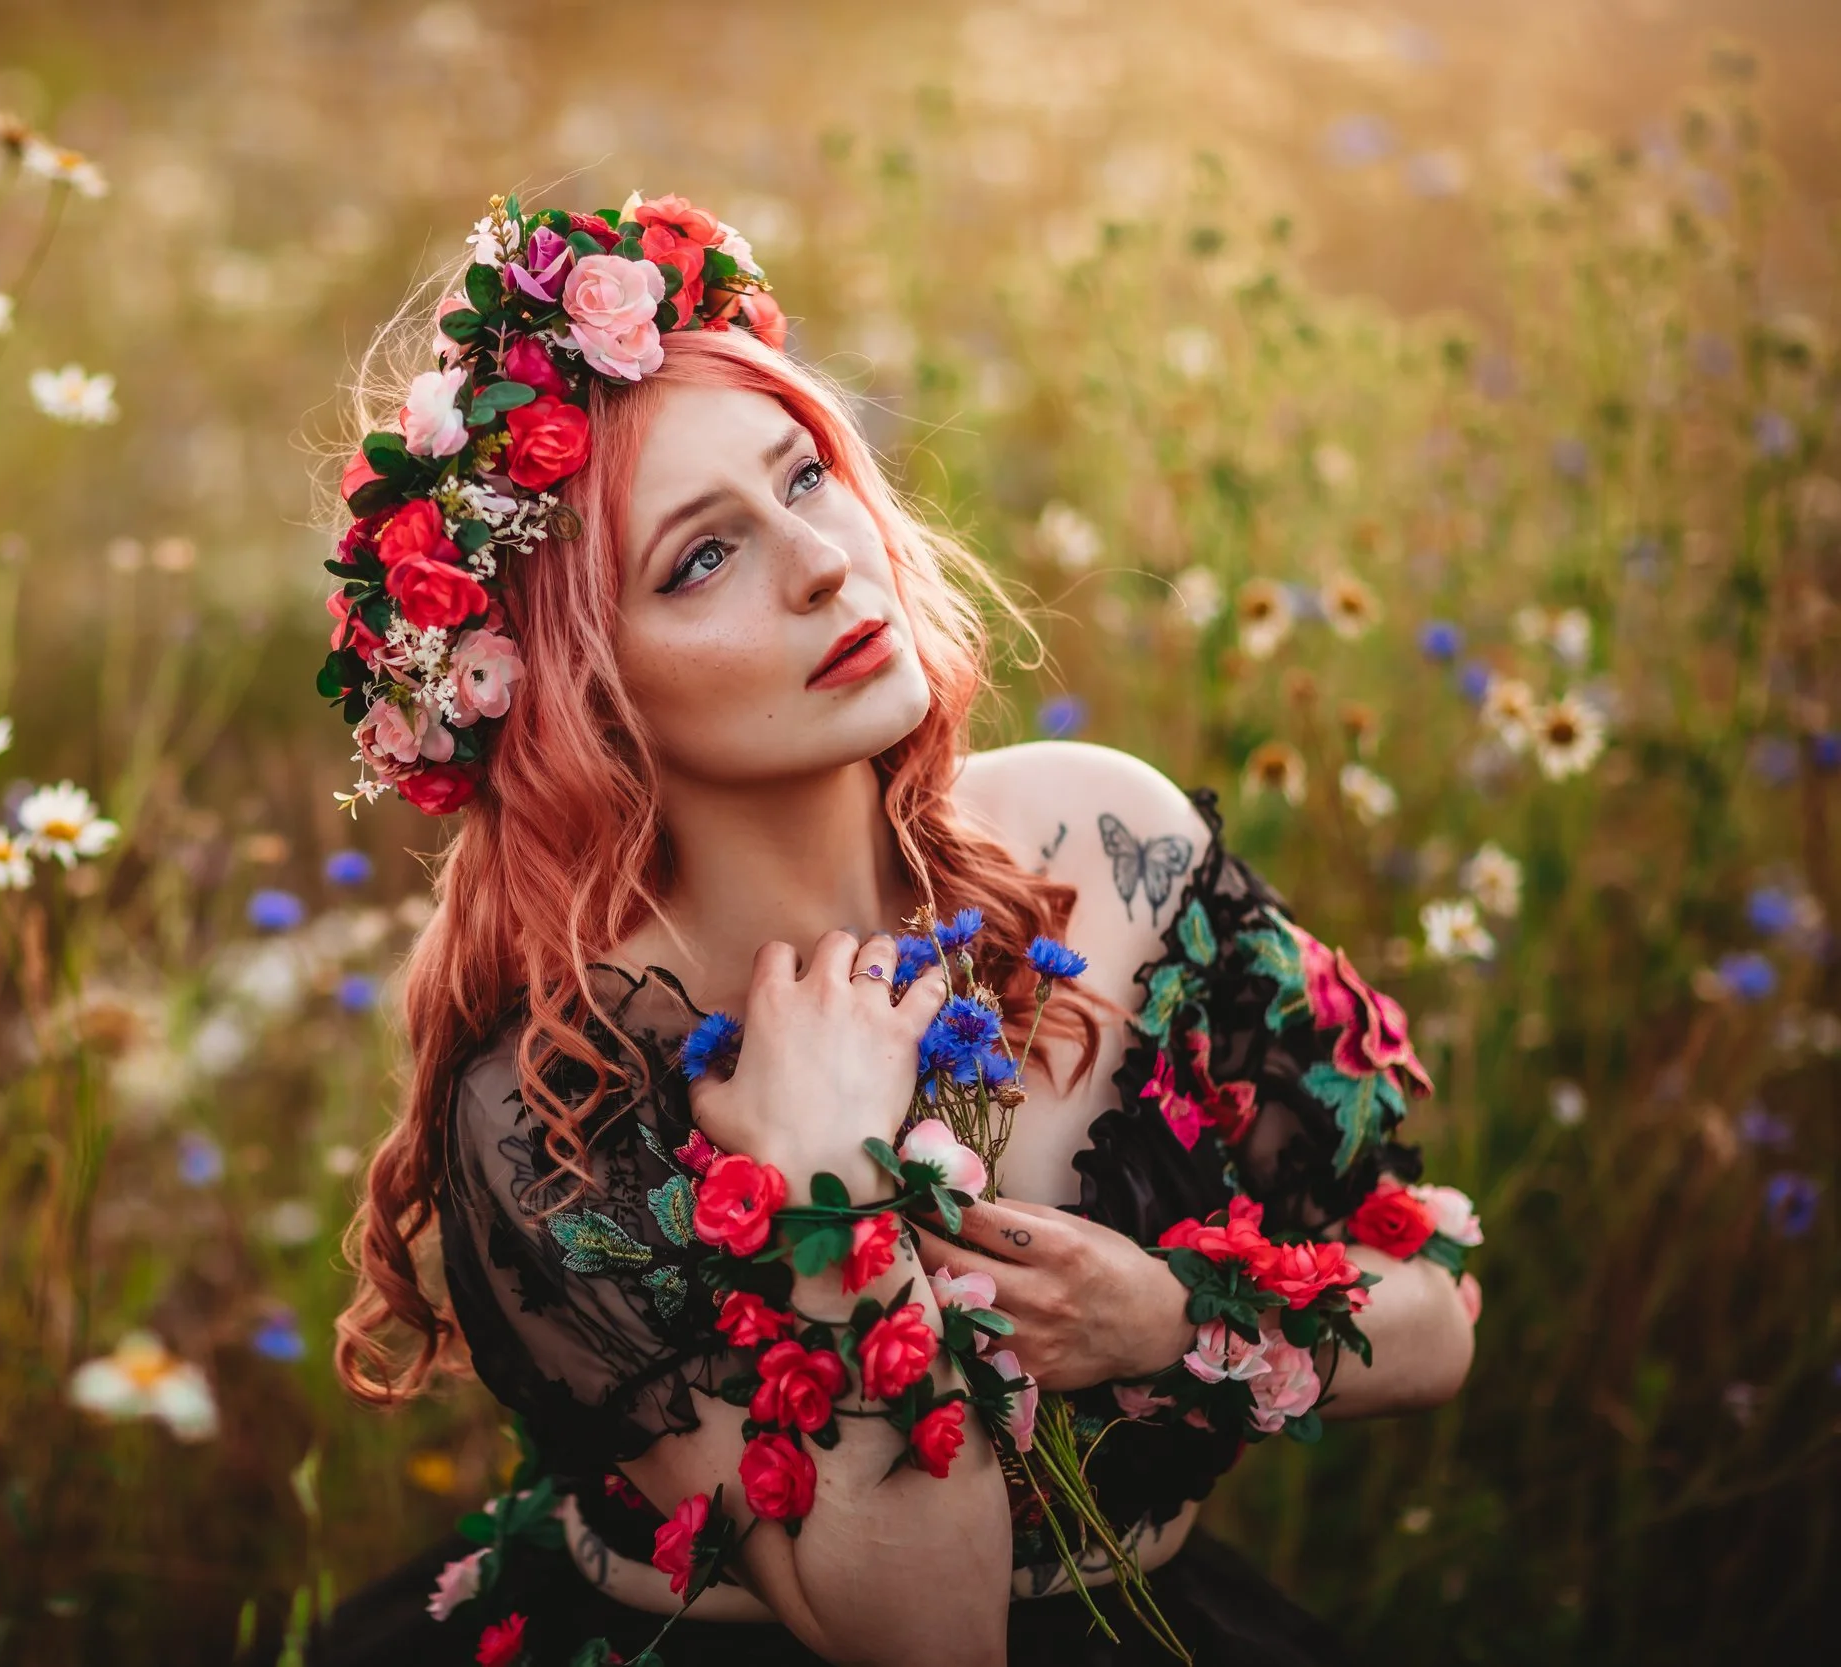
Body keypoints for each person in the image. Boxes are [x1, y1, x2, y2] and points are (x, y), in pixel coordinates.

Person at [295, 191, 1479, 1667]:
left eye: (806, 475)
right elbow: (931, 1639)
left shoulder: (1111, 848)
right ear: (581, 698)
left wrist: (1164, 1317)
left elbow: (1435, 1319)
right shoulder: (561, 1095)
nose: (821, 559)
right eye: (702, 559)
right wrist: (831, 1199)